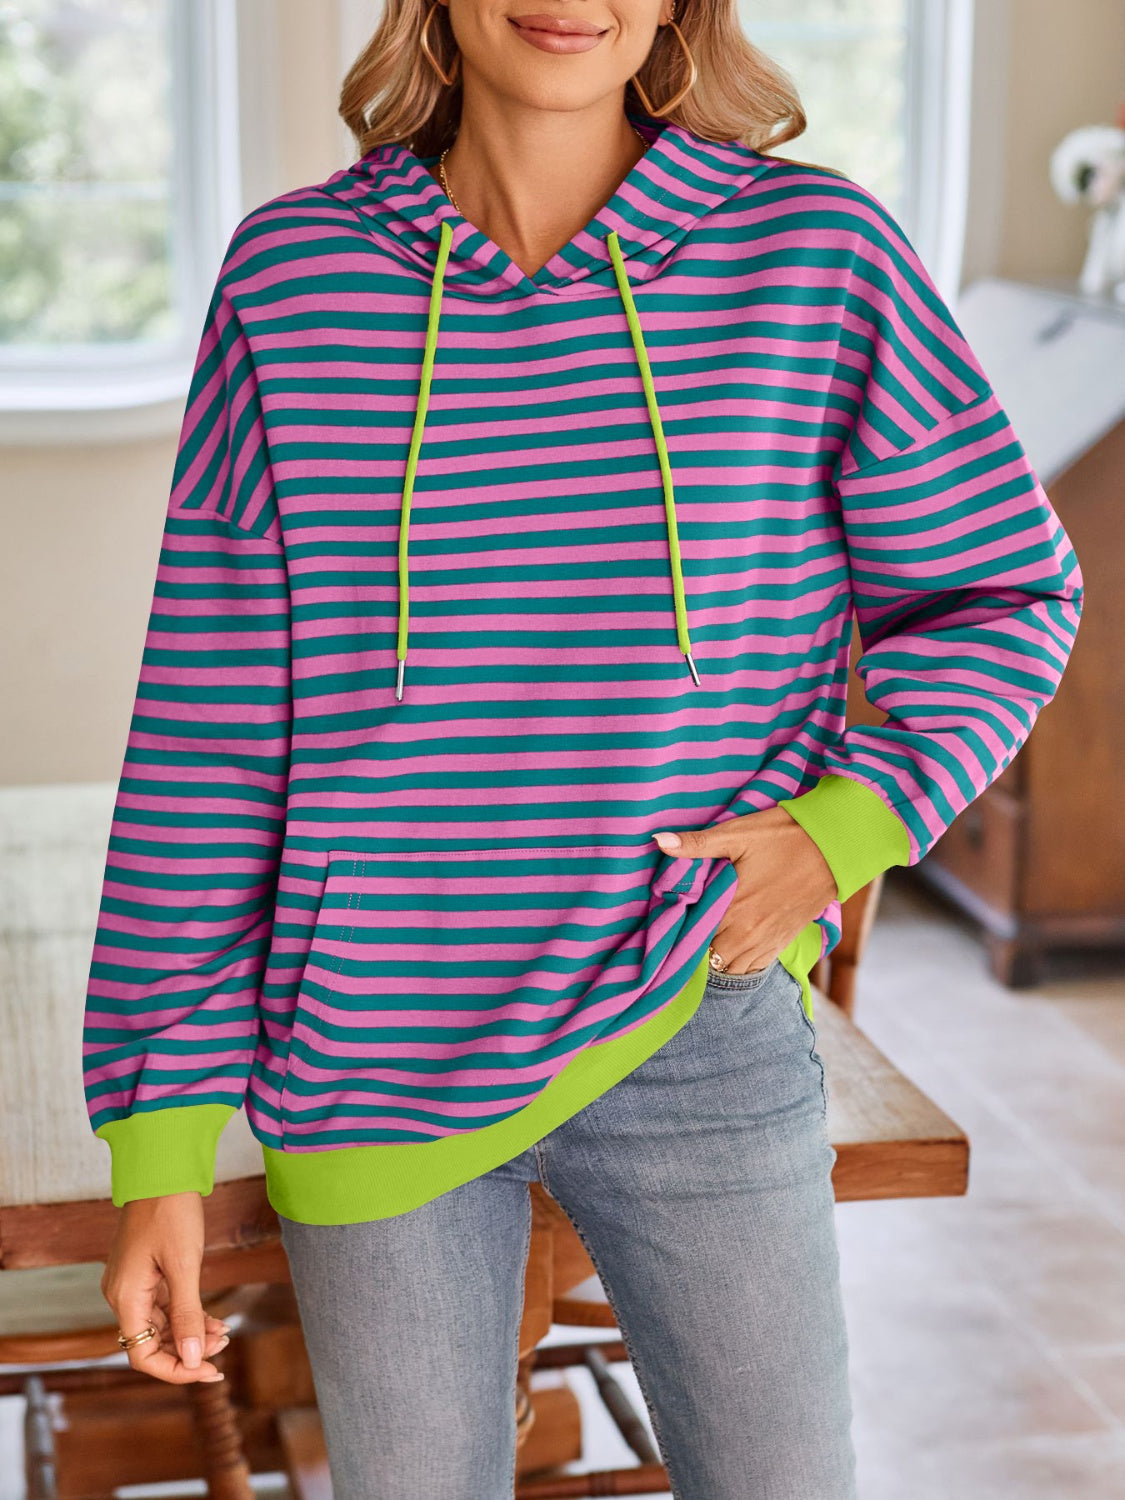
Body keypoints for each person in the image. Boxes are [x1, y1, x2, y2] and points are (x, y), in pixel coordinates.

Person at [85, 2, 1083, 1496]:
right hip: (365, 1041)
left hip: (694, 1011)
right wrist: (161, 1140)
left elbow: (1003, 591)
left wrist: (846, 831)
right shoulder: (293, 280)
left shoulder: (816, 258)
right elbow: (210, 720)